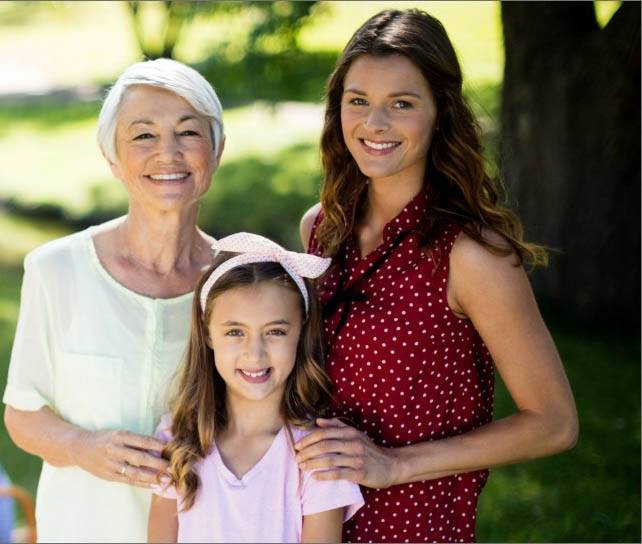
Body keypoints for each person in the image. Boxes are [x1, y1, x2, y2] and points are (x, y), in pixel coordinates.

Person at [297, 9, 579, 543]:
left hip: (415, 527)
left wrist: (394, 465)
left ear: (440, 113)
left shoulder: (471, 254)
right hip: (309, 523)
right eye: (357, 101)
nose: (373, 124)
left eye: (401, 104)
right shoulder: (320, 230)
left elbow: (554, 422)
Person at [3, 58, 225, 542]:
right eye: (143, 136)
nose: (168, 153)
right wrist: (83, 446)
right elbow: (22, 415)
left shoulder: (239, 281)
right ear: (112, 159)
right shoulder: (56, 269)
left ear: (218, 149)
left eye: (189, 132)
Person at [147, 232, 364, 543]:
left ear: (301, 334)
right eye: (235, 332)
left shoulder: (318, 454)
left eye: (275, 331)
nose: (255, 353)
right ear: (208, 334)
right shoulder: (178, 437)